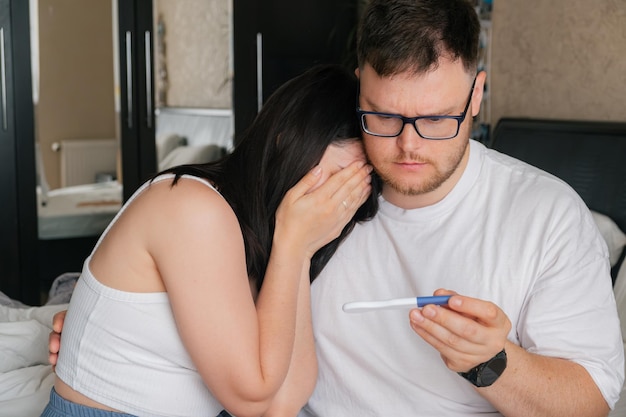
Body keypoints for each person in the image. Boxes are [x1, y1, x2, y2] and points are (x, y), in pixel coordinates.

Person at [298, 0, 624, 416]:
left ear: (476, 96)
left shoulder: (549, 216)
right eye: (383, 116)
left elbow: (589, 405)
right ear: (360, 88)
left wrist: (490, 363)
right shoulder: (312, 187)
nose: (408, 146)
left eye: (436, 119)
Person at [41, 64, 376, 417]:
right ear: (289, 141)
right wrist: (293, 246)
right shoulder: (194, 208)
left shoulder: (261, 241)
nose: (338, 205)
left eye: (353, 195)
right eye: (340, 180)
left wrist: (300, 248)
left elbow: (284, 400)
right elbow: (254, 397)